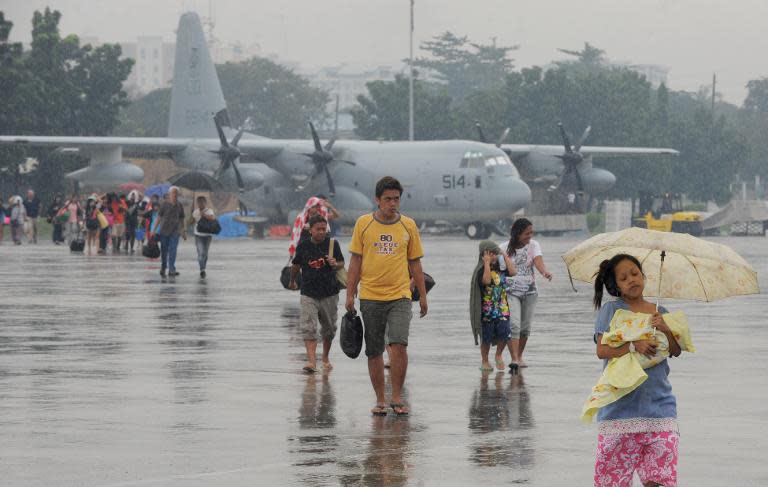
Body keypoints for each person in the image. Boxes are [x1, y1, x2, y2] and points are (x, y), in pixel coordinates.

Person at [592, 253, 681, 487]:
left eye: (635, 273)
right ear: (615, 285)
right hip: (619, 408)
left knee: (657, 479)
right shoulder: (611, 311)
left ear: (643, 276)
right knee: (613, 480)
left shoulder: (660, 311)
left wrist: (665, 328)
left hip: (660, 407)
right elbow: (602, 350)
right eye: (623, 278)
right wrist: (634, 345)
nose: (631, 280)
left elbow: (675, 351)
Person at [345, 176, 428, 416]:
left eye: (396, 199)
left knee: (399, 344)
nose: (393, 203)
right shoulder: (363, 224)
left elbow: (415, 263)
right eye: (388, 199)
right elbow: (355, 262)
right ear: (377, 200)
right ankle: (380, 399)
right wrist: (350, 294)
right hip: (370, 295)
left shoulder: (408, 226)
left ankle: (397, 397)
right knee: (374, 350)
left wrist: (422, 295)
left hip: (400, 295)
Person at [288, 214, 345, 373]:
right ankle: (312, 361)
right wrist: (292, 281)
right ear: (310, 230)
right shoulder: (303, 246)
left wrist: (335, 263)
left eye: (323, 229)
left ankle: (325, 358)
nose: (321, 232)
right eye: (318, 229)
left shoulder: (333, 244)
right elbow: (296, 265)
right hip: (308, 292)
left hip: (329, 293)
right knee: (308, 327)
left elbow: (341, 263)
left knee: (329, 328)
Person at [501, 218, 552, 369]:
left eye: (531, 233)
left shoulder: (534, 245)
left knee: (525, 327)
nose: (530, 236)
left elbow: (538, 261)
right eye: (526, 233)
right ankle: (514, 358)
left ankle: (520, 355)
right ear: (517, 233)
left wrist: (544, 272)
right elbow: (498, 268)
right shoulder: (503, 247)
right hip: (511, 292)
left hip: (530, 292)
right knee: (514, 324)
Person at [469, 240, 517, 372]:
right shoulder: (480, 271)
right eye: (492, 254)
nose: (495, 256)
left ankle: (498, 354)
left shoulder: (501, 268)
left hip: (502, 308)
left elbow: (513, 272)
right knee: (486, 337)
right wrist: (486, 263)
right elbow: (486, 281)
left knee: (505, 333)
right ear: (485, 254)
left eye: (495, 254)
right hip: (487, 311)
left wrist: (504, 255)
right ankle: (485, 360)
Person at [156, 186, 186, 277]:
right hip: (164, 231)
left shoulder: (179, 205)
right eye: (173, 193)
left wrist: (183, 230)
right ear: (169, 194)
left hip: (175, 231)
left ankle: (172, 269)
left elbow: (182, 218)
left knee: (173, 249)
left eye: (176, 193)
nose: (175, 195)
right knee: (164, 250)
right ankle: (163, 266)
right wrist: (154, 230)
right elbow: (159, 217)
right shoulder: (164, 204)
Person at [190, 195, 216, 278]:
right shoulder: (195, 212)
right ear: (197, 203)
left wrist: (203, 215)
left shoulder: (209, 211)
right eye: (199, 202)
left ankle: (203, 267)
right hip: (198, 235)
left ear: (205, 203)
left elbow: (212, 218)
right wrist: (192, 216)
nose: (201, 204)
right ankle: (202, 269)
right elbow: (191, 222)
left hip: (207, 235)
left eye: (202, 202)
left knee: (205, 253)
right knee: (200, 253)